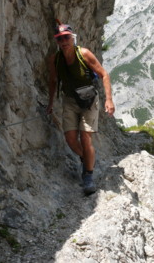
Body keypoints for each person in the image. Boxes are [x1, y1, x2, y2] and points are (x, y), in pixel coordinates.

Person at [46, 23, 115, 195]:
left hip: (89, 100)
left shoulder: (83, 54)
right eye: (60, 39)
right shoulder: (55, 59)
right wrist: (50, 103)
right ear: (57, 41)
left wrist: (109, 99)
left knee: (85, 137)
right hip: (70, 100)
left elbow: (104, 74)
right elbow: (53, 81)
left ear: (72, 38)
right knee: (70, 139)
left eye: (66, 37)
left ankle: (88, 176)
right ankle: (86, 158)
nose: (64, 41)